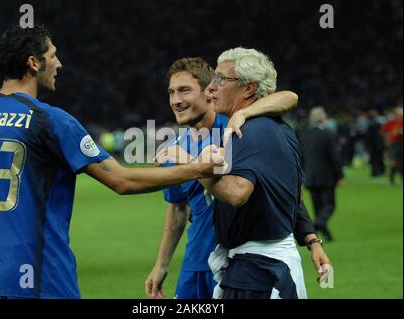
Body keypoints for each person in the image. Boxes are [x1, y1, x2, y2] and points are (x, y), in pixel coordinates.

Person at [0, 25, 224, 299]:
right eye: (53, 55)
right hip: (45, 280)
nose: (59, 63)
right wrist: (198, 168)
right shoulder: (51, 121)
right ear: (33, 63)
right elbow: (122, 181)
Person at [145, 57, 310, 299]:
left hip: (239, 262)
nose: (176, 101)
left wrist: (247, 113)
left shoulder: (235, 126)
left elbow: (289, 97)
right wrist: (161, 265)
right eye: (171, 92)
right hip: (196, 265)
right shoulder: (173, 147)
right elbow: (177, 208)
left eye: (184, 91)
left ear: (208, 92)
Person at [298, 106, 344, 241]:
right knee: (329, 204)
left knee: (318, 206)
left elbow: (301, 157)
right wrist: (340, 175)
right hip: (326, 176)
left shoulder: (304, 134)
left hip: (309, 176)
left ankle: (325, 234)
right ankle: (319, 224)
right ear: (323, 118)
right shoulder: (328, 134)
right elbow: (334, 156)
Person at [381, 107, 403, 186]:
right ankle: (391, 180)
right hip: (394, 144)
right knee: (394, 162)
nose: (399, 115)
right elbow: (383, 131)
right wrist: (387, 140)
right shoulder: (391, 122)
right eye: (398, 114)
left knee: (401, 162)